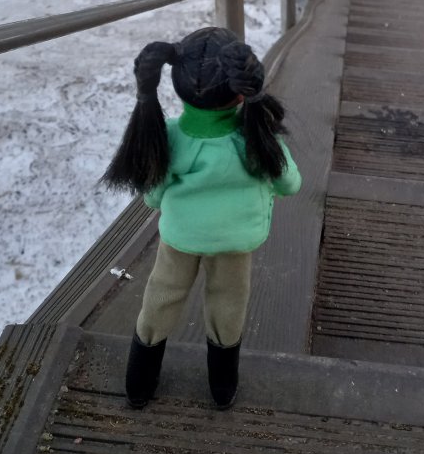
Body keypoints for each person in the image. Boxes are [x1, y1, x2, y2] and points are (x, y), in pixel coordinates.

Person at [102, 26, 302, 410]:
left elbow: (153, 197)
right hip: (236, 241)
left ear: (174, 82)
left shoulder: (172, 137)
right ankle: (222, 386)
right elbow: (290, 183)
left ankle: (139, 382)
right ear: (243, 89)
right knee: (228, 304)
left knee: (161, 298)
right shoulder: (256, 135)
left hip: (180, 237)